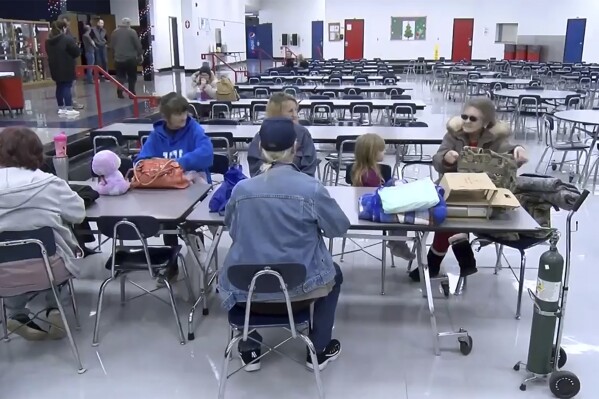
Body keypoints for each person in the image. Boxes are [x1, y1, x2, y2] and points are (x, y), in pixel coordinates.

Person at [219, 117, 350, 372]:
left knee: (246, 268)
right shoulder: (311, 189)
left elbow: (233, 230)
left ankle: (249, 349)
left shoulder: (241, 190)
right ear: (295, 147)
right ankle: (318, 350)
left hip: (247, 293)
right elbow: (339, 228)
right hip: (300, 291)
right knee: (335, 274)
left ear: (259, 149)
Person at [410, 98, 529, 282]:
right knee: (448, 211)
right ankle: (462, 253)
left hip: (482, 193)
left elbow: (508, 151)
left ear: (486, 123)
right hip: (452, 187)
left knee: (453, 213)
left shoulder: (495, 139)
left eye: (473, 119)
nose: (466, 121)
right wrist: (446, 158)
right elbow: (437, 159)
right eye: (464, 116)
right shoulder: (453, 135)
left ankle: (434, 261)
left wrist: (518, 149)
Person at [0, 127, 86, 340]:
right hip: (49, 268)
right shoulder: (49, 183)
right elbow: (78, 213)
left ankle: (16, 314)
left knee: (11, 261)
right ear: (37, 152)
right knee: (54, 252)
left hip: (3, 274)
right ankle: (55, 309)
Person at [137, 92, 213, 275]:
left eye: (184, 112)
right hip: (165, 190)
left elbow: (206, 154)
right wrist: (165, 168)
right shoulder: (156, 136)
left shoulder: (194, 129)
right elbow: (140, 162)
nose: (183, 117)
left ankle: (200, 262)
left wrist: (178, 164)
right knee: (168, 223)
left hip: (193, 189)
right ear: (166, 116)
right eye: (178, 113)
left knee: (192, 222)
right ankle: (171, 265)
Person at [351, 133, 414, 260]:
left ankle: (396, 242)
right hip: (370, 211)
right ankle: (397, 243)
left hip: (369, 207)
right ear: (373, 153)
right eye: (381, 149)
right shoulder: (369, 174)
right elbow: (379, 196)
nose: (384, 151)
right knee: (401, 211)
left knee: (395, 186)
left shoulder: (365, 169)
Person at [247, 92, 318, 177]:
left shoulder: (303, 134)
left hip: (297, 187)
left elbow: (309, 167)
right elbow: (255, 167)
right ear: (276, 113)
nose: (295, 115)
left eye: (296, 110)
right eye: (290, 111)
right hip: (267, 184)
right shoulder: (261, 135)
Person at [46, 20, 81, 117]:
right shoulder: (67, 39)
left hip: (54, 67)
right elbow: (76, 52)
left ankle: (61, 108)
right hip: (66, 66)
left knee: (59, 86)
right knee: (66, 86)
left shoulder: (48, 41)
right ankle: (69, 108)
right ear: (63, 28)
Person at [110, 18, 143, 98]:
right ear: (129, 23)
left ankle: (120, 92)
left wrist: (114, 55)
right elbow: (137, 45)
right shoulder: (132, 32)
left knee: (120, 76)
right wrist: (140, 54)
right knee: (132, 76)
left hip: (118, 59)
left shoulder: (115, 32)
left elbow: (112, 46)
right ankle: (131, 93)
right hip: (130, 59)